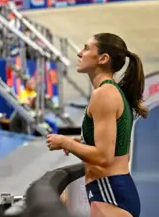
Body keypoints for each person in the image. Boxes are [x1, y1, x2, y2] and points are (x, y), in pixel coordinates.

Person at [47, 33, 146, 217]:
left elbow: (104, 157)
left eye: (86, 48)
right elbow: (121, 151)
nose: (79, 53)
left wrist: (65, 143)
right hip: (113, 191)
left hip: (110, 194)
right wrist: (82, 143)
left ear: (103, 58)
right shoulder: (112, 92)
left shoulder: (104, 95)